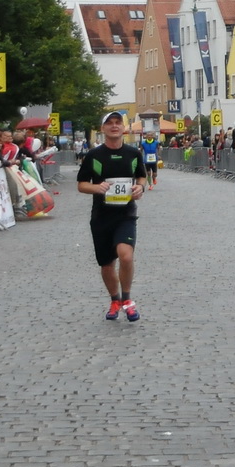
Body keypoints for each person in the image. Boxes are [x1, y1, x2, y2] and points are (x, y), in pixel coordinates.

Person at [74, 110, 148, 322]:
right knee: (107, 264)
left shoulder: (133, 153)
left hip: (126, 214)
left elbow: (142, 177)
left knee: (126, 255)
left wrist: (140, 188)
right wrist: (96, 188)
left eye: (118, 122)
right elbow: (81, 184)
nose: (114, 126)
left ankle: (127, 300)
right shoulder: (94, 155)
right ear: (103, 128)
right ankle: (115, 300)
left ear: (123, 128)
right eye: (110, 123)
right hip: (101, 216)